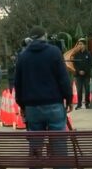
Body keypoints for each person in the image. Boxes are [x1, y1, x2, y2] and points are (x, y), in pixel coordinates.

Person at [15, 26, 72, 169]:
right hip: (54, 103)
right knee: (59, 146)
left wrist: (22, 106)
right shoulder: (54, 52)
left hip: (32, 107)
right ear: (44, 37)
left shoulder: (23, 56)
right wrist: (69, 99)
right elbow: (63, 78)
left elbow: (18, 83)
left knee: (35, 146)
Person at [73, 38, 92, 110]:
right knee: (79, 90)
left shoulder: (88, 54)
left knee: (87, 89)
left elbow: (90, 64)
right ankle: (79, 104)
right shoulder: (76, 54)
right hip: (78, 75)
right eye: (79, 44)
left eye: (81, 44)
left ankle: (87, 103)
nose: (80, 45)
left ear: (84, 45)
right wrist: (79, 71)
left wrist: (84, 71)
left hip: (86, 75)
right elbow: (75, 64)